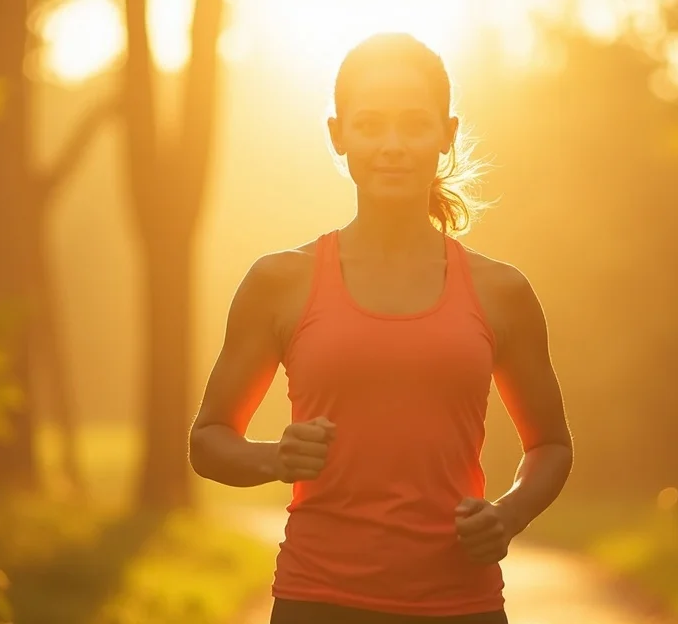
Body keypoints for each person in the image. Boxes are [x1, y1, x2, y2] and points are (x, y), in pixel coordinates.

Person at [188, 32, 573, 624]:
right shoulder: (280, 282)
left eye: (414, 125)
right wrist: (274, 459)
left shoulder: (503, 292)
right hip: (317, 600)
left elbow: (549, 445)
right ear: (338, 135)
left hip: (460, 605)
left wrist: (509, 513)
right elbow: (209, 439)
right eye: (370, 125)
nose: (391, 145)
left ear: (446, 134)